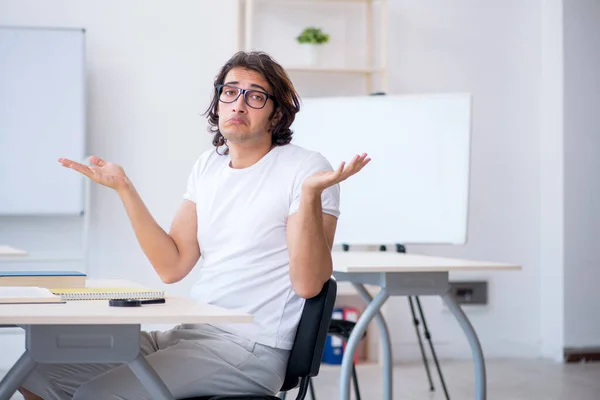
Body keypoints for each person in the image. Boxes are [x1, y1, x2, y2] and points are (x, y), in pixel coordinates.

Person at [19, 51, 370, 400]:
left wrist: (310, 196)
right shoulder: (209, 166)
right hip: (189, 335)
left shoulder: (305, 168)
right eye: (230, 92)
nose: (239, 105)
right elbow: (171, 267)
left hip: (249, 348)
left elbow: (309, 284)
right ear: (217, 102)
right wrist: (124, 189)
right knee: (38, 370)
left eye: (256, 96)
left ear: (277, 113)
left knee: (97, 394)